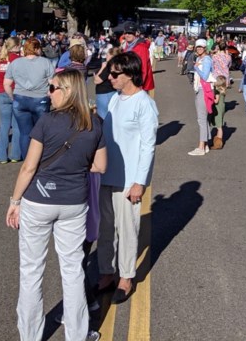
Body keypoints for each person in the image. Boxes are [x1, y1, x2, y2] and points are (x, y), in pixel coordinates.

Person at [6, 69, 106, 341]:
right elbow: (99, 165)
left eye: (52, 88)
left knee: (31, 270)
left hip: (38, 201)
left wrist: (15, 201)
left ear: (68, 91)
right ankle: (77, 334)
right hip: (74, 201)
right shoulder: (94, 123)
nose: (48, 93)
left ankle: (30, 335)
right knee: (72, 270)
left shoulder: (47, 122)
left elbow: (29, 167)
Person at [96, 51, 158, 304]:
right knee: (105, 228)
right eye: (110, 72)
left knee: (128, 229)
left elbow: (148, 146)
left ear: (130, 75)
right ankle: (106, 272)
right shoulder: (115, 99)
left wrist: (139, 182)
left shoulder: (144, 103)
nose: (109, 77)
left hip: (129, 179)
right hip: (106, 174)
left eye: (115, 73)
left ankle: (126, 277)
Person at [4, 37, 57, 161]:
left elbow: (7, 84)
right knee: (41, 133)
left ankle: (27, 161)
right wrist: (50, 95)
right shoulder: (45, 62)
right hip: (40, 99)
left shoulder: (15, 63)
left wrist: (13, 97)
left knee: (24, 133)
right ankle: (40, 160)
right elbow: (52, 83)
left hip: (20, 99)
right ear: (37, 48)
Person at [0, 37, 22, 164]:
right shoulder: (18, 59)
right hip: (15, 91)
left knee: (4, 126)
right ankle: (16, 154)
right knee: (16, 126)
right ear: (16, 46)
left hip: (2, 91)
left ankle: (1, 156)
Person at [115, 22, 155, 98]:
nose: (127, 35)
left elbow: (143, 68)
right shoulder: (128, 45)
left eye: (130, 33)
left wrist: (138, 86)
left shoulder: (141, 47)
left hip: (138, 85)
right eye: (126, 33)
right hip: (129, 82)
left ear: (136, 33)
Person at [189, 39, 213, 155]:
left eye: (201, 47)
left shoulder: (206, 60)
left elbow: (205, 76)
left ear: (205, 48)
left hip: (204, 90)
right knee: (204, 119)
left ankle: (201, 147)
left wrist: (196, 67)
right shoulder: (199, 59)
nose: (198, 49)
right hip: (199, 89)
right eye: (197, 47)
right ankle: (206, 144)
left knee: (201, 119)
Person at [92, 44, 121, 120]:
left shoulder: (109, 66)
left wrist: (102, 67)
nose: (106, 57)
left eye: (107, 55)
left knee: (103, 118)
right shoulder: (117, 65)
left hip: (104, 94)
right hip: (112, 92)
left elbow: (97, 80)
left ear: (111, 56)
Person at [210, 76, 228, 149]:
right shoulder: (223, 90)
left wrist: (211, 99)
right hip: (222, 107)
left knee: (219, 126)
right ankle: (218, 138)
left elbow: (216, 101)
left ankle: (218, 143)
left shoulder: (217, 90)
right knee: (219, 124)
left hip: (218, 108)